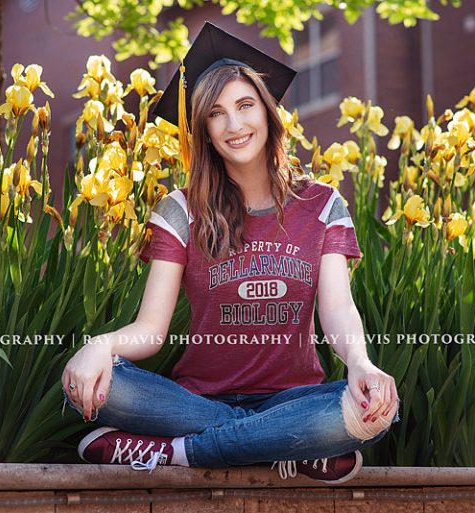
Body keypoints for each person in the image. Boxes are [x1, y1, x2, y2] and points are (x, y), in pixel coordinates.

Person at [61, 21, 399, 484]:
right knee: (96, 382)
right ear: (202, 127)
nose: (234, 125)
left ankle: (176, 453)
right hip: (193, 402)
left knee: (376, 408)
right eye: (217, 113)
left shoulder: (323, 205)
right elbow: (151, 331)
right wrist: (99, 346)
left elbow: (338, 308)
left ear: (268, 111)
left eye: (245, 105)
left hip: (292, 399)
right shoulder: (179, 210)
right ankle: (287, 450)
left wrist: (361, 363)